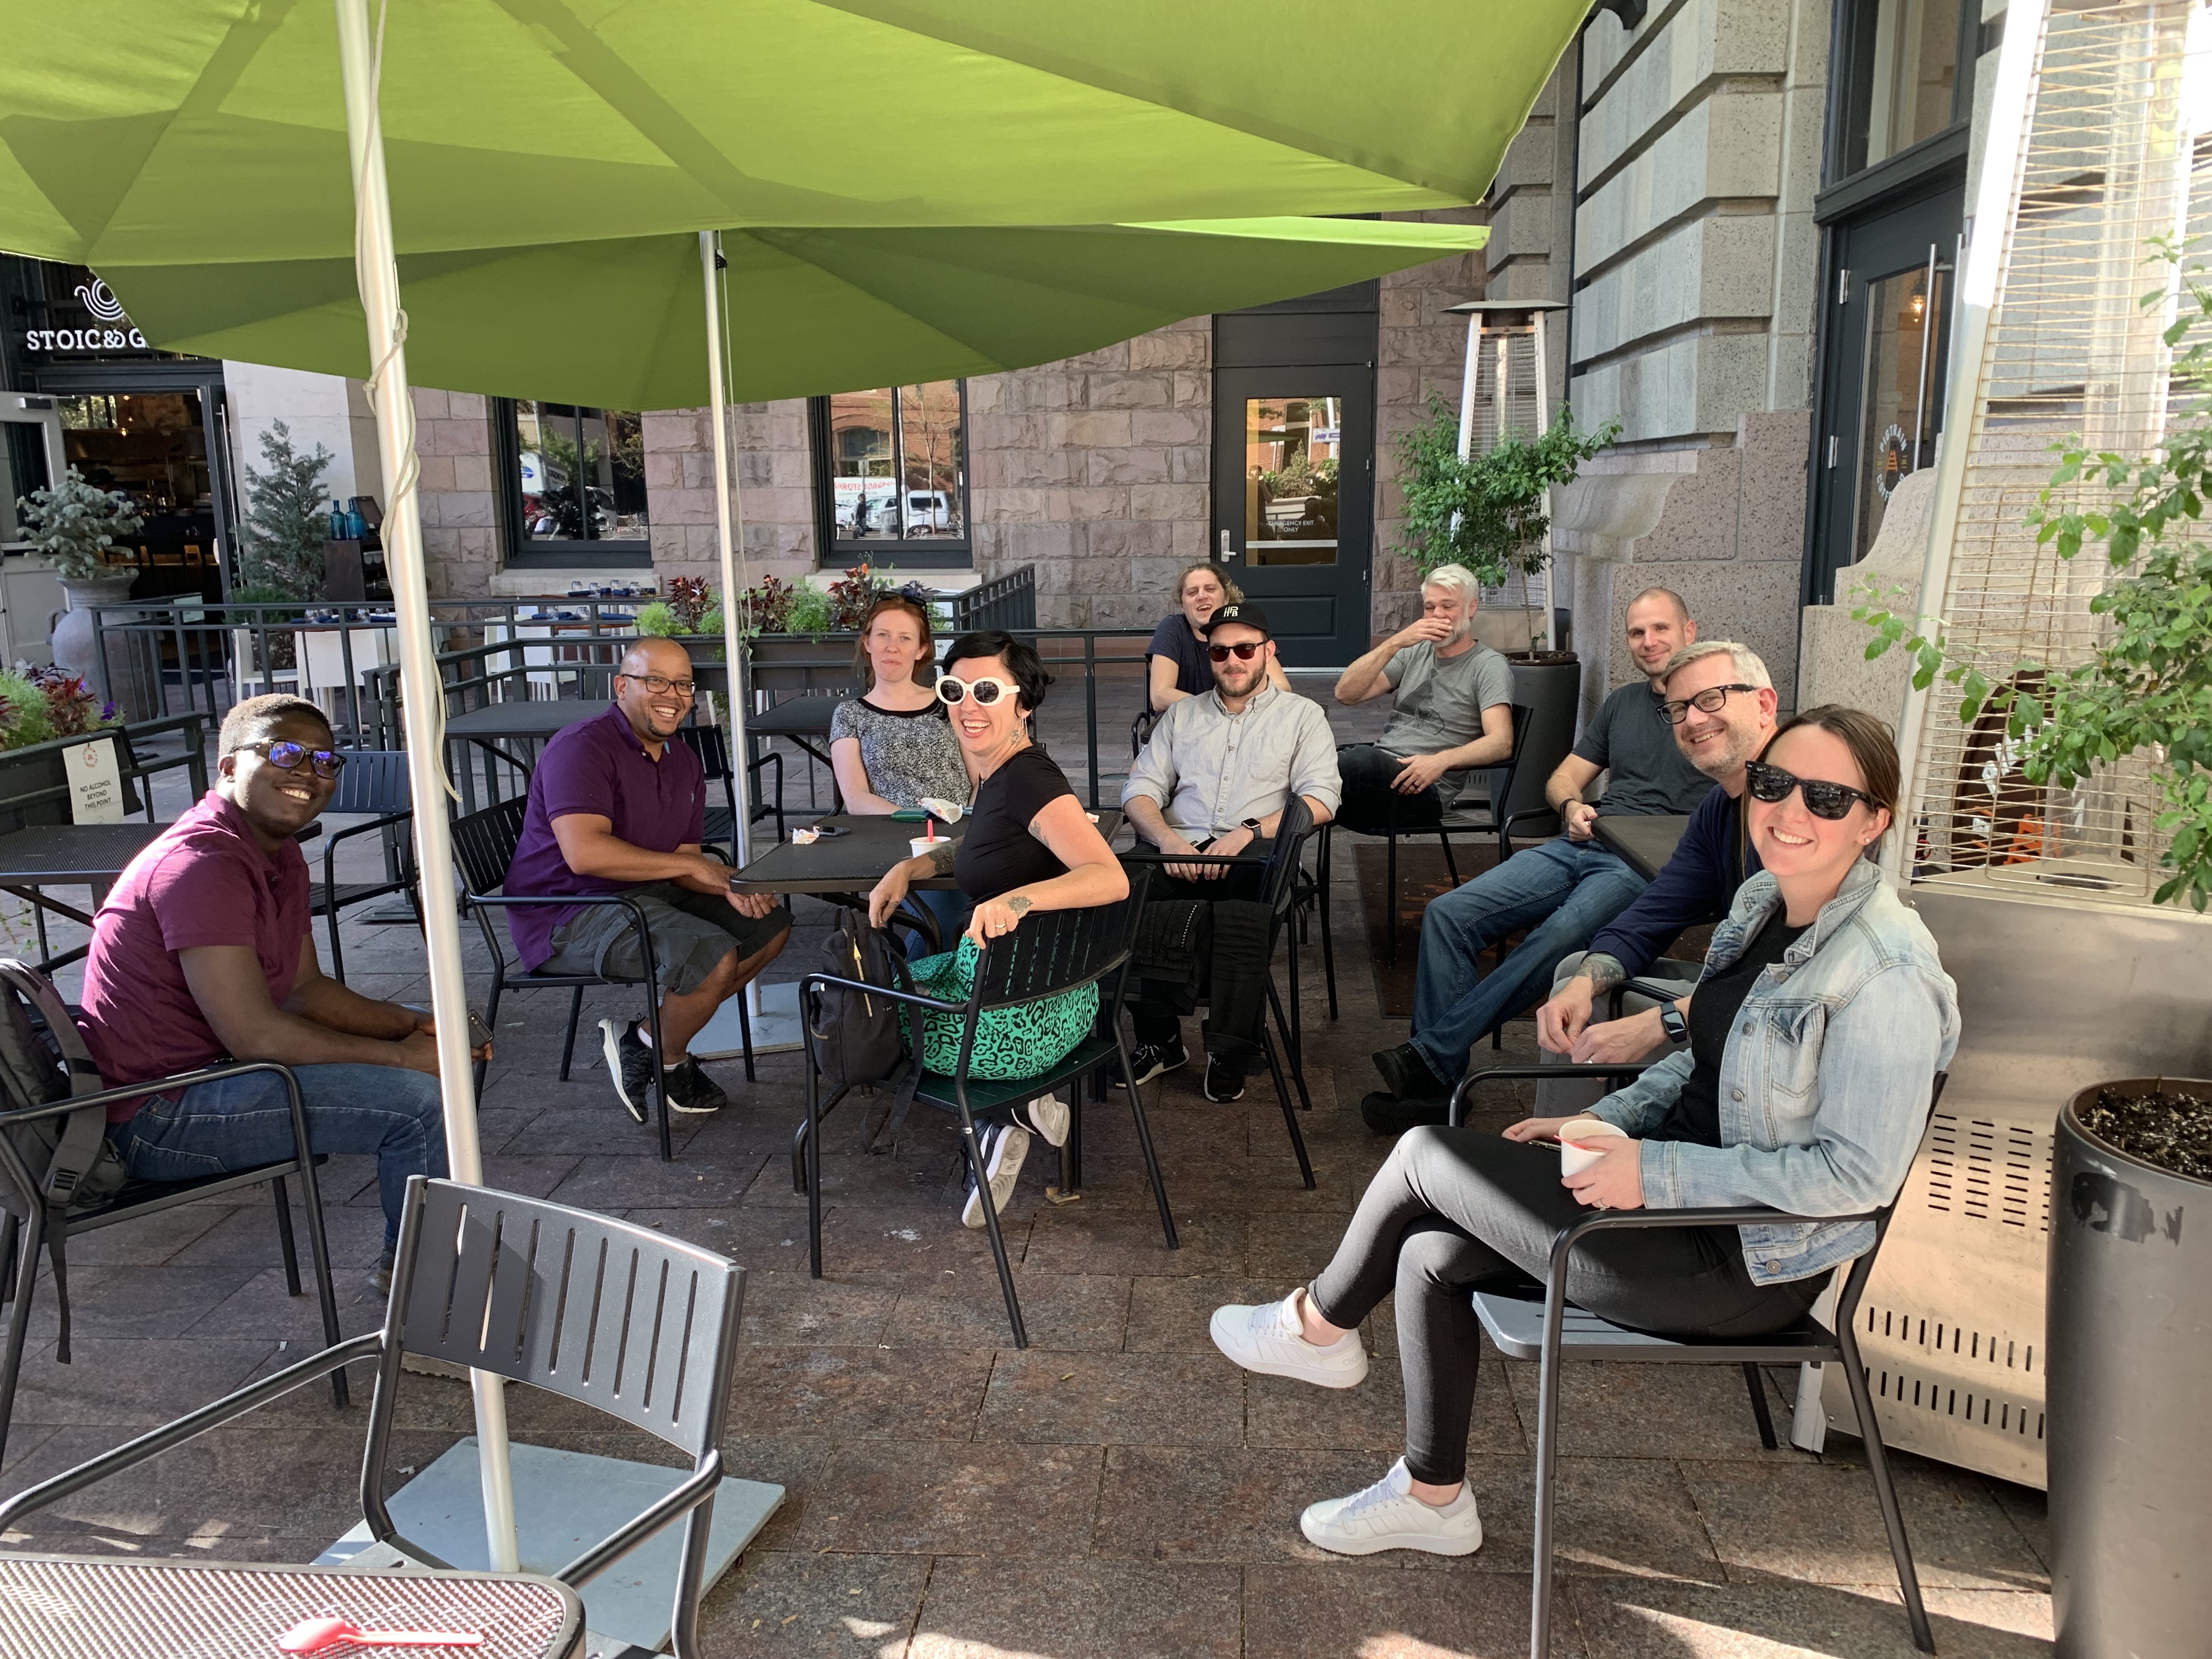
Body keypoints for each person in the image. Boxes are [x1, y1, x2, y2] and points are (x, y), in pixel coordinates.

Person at [1207, 706, 1959, 1558]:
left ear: (1874, 821)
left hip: (1735, 1260)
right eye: (1775, 785)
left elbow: (1859, 1177)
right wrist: (1602, 1120)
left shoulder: (1888, 973)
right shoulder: (1764, 903)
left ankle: (1319, 1327)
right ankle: (1432, 1496)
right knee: (1427, 1253)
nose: (1790, 812)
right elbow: (1705, 1055)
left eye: (1826, 798)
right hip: (1659, 1207)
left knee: (1423, 1154)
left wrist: (1656, 1173)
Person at [76, 694, 462, 1291]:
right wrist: (404, 1058)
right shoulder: (202, 865)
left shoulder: (275, 850)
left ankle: (438, 1252)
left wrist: (411, 1024)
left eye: (326, 762)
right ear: (229, 767)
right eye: (285, 753)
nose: (309, 773)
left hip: (210, 1078)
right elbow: (255, 1032)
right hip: (157, 1113)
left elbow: (304, 991)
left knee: (438, 1065)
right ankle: (427, 1287)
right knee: (414, 1104)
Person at [1363, 589, 1714, 1132]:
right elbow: (1562, 777)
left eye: (1661, 630)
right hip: (1584, 841)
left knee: (1557, 937)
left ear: (1690, 632)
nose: (1649, 642)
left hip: (1647, 866)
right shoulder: (1622, 704)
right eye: (1637, 632)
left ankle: (1429, 1065)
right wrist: (1572, 805)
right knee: (1449, 914)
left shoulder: (1712, 715)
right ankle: (1441, 1080)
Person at [868, 630, 1128, 1226]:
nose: (967, 704)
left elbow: (1109, 877)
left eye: (987, 690)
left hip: (1010, 1023)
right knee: (913, 970)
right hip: (1056, 1003)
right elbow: (983, 847)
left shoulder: (1028, 779)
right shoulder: (1001, 776)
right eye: (954, 689)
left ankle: (999, 1116)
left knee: (873, 1019)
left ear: (1024, 703)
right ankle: (1019, 1110)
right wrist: (914, 866)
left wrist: (1016, 902)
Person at [505, 636, 791, 1122]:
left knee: (769, 928)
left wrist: (730, 883)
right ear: (621, 686)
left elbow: (684, 858)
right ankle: (671, 1059)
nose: (673, 695)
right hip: (566, 912)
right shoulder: (582, 747)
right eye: (655, 680)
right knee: (711, 958)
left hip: (643, 894)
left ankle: (646, 1041)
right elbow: (585, 853)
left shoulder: (681, 759)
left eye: (683, 685)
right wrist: (692, 868)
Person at [1118, 601, 1341, 1102]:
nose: (1233, 660)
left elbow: (1321, 800)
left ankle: (1228, 1048)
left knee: (1240, 916)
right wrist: (1169, 840)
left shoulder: (1303, 716)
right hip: (1180, 846)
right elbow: (1139, 791)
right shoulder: (1182, 715)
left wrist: (1248, 831)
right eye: (1220, 652)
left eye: (1245, 649)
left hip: (1254, 852)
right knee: (1118, 894)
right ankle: (1160, 1041)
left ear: (1268, 651)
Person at [1532, 640, 1780, 1077]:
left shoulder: (1803, 806)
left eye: (1710, 699)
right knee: (1577, 973)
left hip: (1786, 1016)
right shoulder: (1720, 808)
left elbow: (1791, 969)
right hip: (1731, 990)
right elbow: (1654, 913)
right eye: (1680, 709)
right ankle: (1571, 1140)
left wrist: (1661, 1022)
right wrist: (1587, 982)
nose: (1694, 720)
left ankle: (1592, 1134)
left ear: (1764, 704)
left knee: (1619, 1014)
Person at [829, 594, 972, 955]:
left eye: (905, 638)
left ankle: (902, 997)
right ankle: (912, 999)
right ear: (867, 642)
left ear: (922, 649)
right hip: (896, 842)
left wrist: (965, 823)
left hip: (963, 836)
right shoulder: (850, 715)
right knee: (945, 920)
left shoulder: (949, 702)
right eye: (883, 635)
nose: (893, 647)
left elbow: (979, 776)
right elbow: (856, 798)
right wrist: (920, 819)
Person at [1332, 563, 1514, 826]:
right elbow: (1346, 694)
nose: (1437, 615)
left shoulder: (1488, 665)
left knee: (1351, 763)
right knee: (1313, 764)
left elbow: (1502, 742)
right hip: (1379, 775)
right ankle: (1278, 858)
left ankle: (1272, 855)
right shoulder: (1415, 651)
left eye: (1448, 606)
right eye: (1430, 607)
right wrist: (1395, 642)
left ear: (1471, 608)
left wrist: (1441, 761)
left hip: (1423, 790)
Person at [1146, 562, 1291, 714]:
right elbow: (1160, 695)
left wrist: (1235, 713)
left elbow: (1281, 686)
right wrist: (1217, 711)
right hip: (1187, 724)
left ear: (1226, 597)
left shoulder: (1245, 625)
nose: (1202, 596)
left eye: (1210, 589)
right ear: (1182, 604)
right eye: (1192, 592)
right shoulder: (1173, 628)